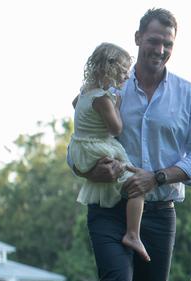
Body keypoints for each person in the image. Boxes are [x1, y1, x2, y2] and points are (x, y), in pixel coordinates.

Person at [67, 8, 191, 281]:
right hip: (108, 209)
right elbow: (77, 139)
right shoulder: (107, 86)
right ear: (137, 39)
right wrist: (85, 169)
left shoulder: (189, 95)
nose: (159, 49)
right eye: (153, 41)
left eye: (167, 43)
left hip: (160, 212)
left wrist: (157, 177)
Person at [69, 42, 150, 262]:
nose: (126, 76)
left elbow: (75, 104)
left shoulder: (85, 92)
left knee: (125, 177)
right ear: (108, 69)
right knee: (137, 185)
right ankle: (133, 234)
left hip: (82, 146)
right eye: (123, 72)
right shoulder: (104, 99)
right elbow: (116, 129)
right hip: (100, 147)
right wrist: (116, 104)